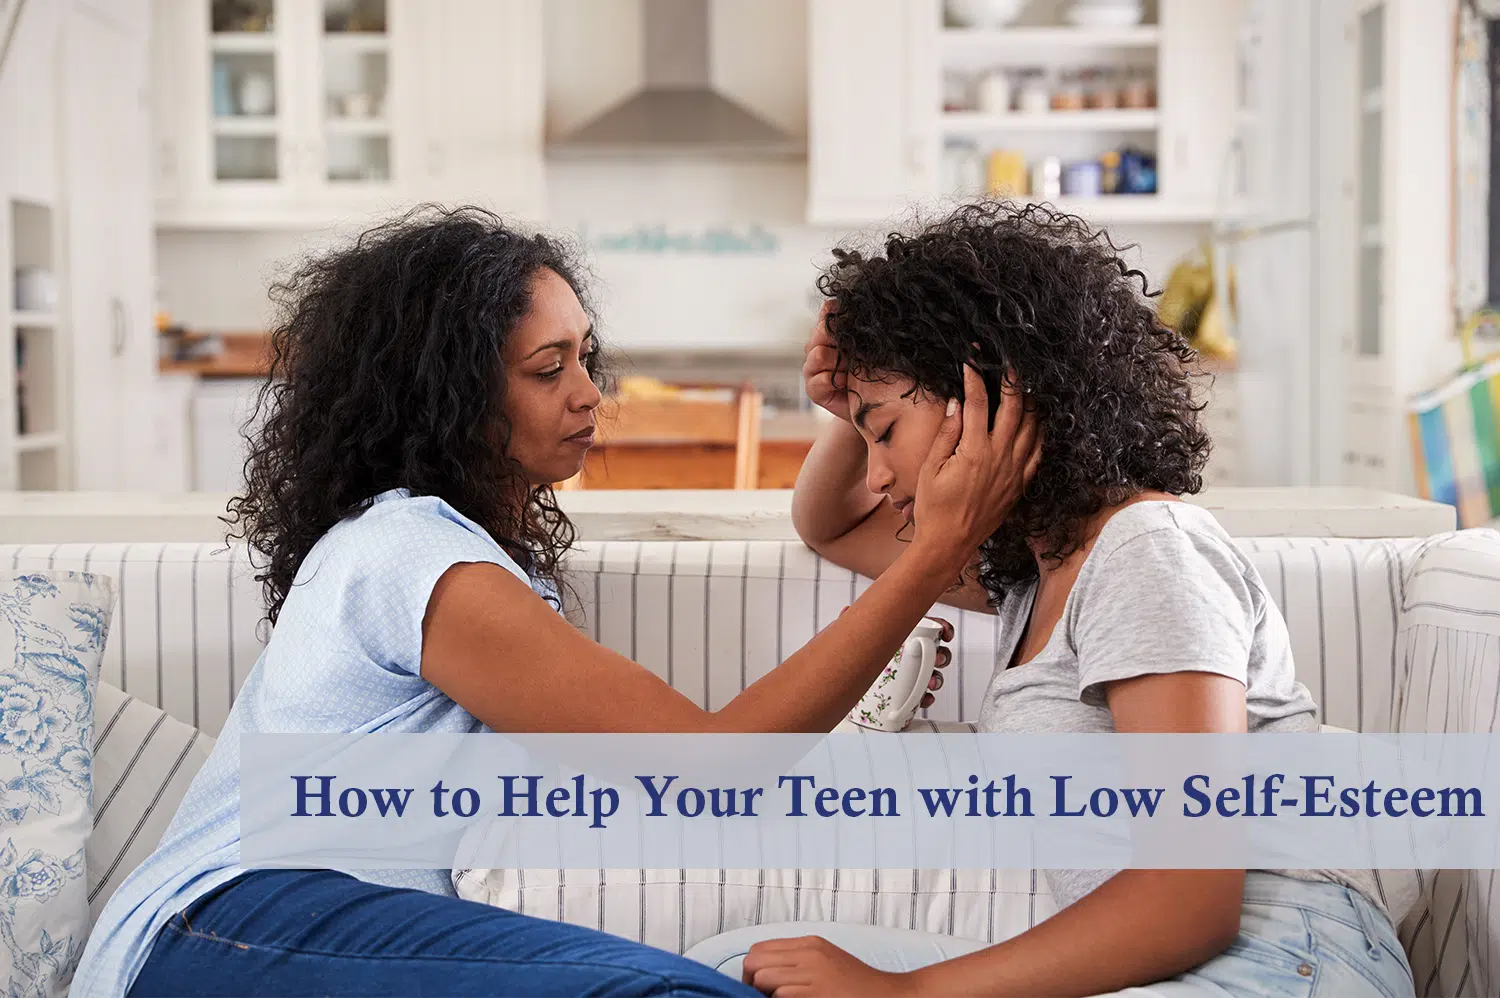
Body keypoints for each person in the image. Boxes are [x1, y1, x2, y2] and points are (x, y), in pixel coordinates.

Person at [70, 205, 1038, 998]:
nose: (589, 394)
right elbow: (710, 768)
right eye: (548, 370)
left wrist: (845, 421)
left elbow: (822, 526)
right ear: (445, 395)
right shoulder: (410, 555)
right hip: (227, 927)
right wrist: (934, 553)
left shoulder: (472, 559)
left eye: (586, 357)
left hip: (297, 932)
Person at [700, 201, 1415, 998]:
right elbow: (828, 525)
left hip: (1283, 956)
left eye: (886, 433)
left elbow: (1191, 901)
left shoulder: (1146, 551)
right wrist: (855, 408)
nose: (876, 475)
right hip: (1196, 963)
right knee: (741, 968)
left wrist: (906, 992)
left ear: (987, 397)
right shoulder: (1036, 576)